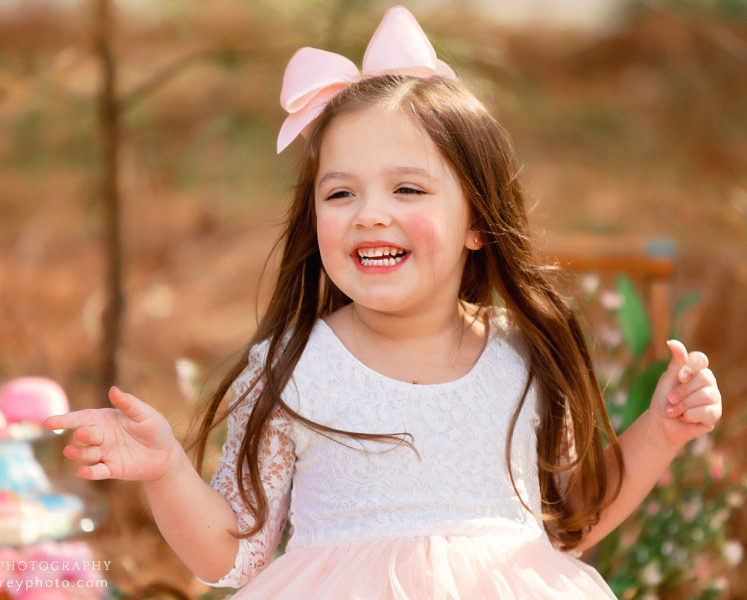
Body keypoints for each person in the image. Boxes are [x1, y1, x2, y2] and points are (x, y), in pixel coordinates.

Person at [44, 5, 723, 598]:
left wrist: (660, 433)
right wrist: (165, 469)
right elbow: (234, 553)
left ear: (479, 222)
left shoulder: (526, 354)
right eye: (341, 193)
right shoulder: (295, 366)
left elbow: (571, 520)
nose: (370, 214)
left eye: (408, 190)